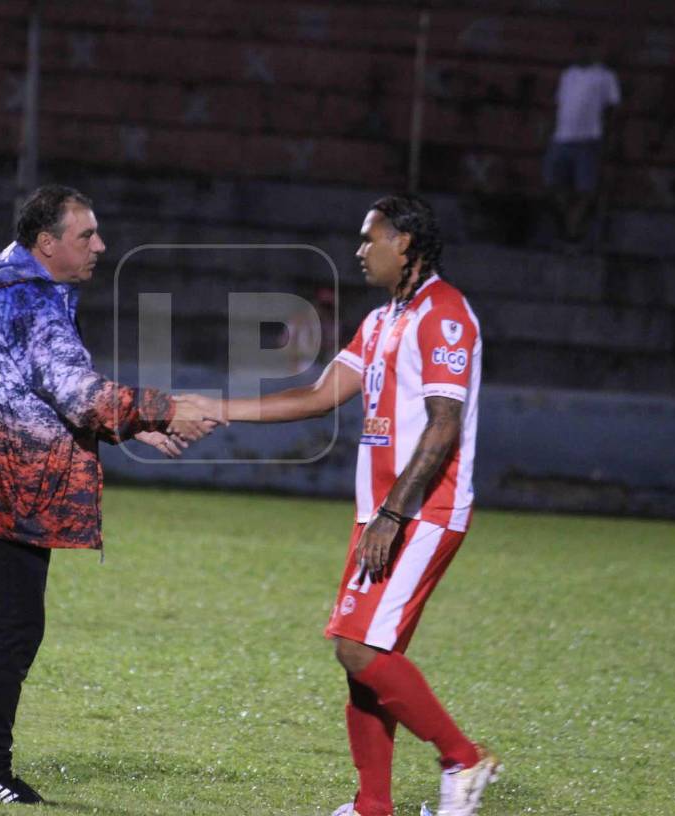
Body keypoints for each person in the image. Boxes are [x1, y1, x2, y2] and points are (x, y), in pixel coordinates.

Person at [0, 185, 220, 804]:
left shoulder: (18, 291)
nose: (100, 246)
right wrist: (165, 410)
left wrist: (140, 424)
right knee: (13, 628)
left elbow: (39, 398)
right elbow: (81, 395)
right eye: (86, 235)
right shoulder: (31, 301)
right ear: (46, 243)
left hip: (2, 478)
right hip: (14, 485)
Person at [208, 196, 499, 816]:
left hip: (423, 511)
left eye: (372, 239)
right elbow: (318, 396)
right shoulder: (381, 320)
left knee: (358, 648)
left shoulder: (444, 315)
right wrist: (220, 407)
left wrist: (393, 515)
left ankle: (463, 759)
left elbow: (444, 426)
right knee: (364, 657)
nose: (361, 251)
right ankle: (372, 807)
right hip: (382, 512)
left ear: (407, 244)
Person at [543, 31, 620, 249]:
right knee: (553, 186)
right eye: (580, 47)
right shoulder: (568, 75)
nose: (582, 51)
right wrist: (549, 132)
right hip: (561, 138)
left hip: (588, 140)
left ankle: (573, 231)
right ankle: (569, 225)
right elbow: (559, 105)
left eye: (588, 47)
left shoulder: (605, 76)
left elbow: (613, 108)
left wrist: (608, 137)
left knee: (586, 190)